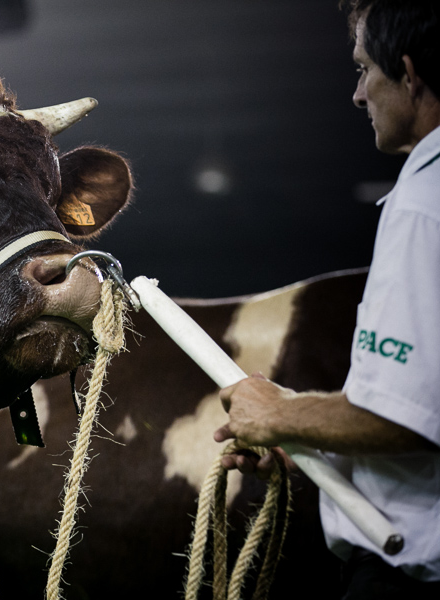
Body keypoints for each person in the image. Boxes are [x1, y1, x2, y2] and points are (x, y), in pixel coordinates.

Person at [214, 1, 440, 597]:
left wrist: (276, 415)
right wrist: (310, 439)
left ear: (411, 74)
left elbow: (405, 418)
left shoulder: (425, 199)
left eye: (365, 69)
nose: (359, 94)